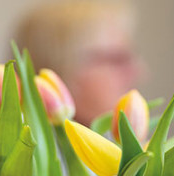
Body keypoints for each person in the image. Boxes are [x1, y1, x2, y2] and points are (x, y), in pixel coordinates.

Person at [14, 0, 143, 126]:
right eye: (117, 59)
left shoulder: (117, 144)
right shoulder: (31, 146)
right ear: (61, 68)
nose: (138, 71)